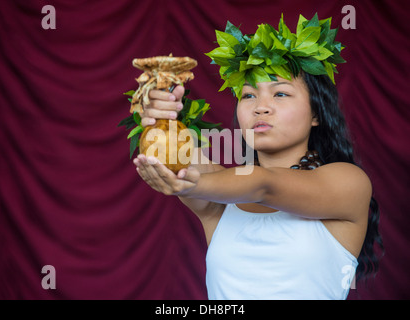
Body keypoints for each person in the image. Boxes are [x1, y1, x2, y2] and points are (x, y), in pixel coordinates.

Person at [132, 14, 383, 300]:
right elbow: (173, 157)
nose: (261, 107)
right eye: (248, 95)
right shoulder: (221, 200)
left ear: (316, 113)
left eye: (281, 94)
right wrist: (162, 115)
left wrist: (193, 185)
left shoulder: (348, 182)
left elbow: (263, 184)